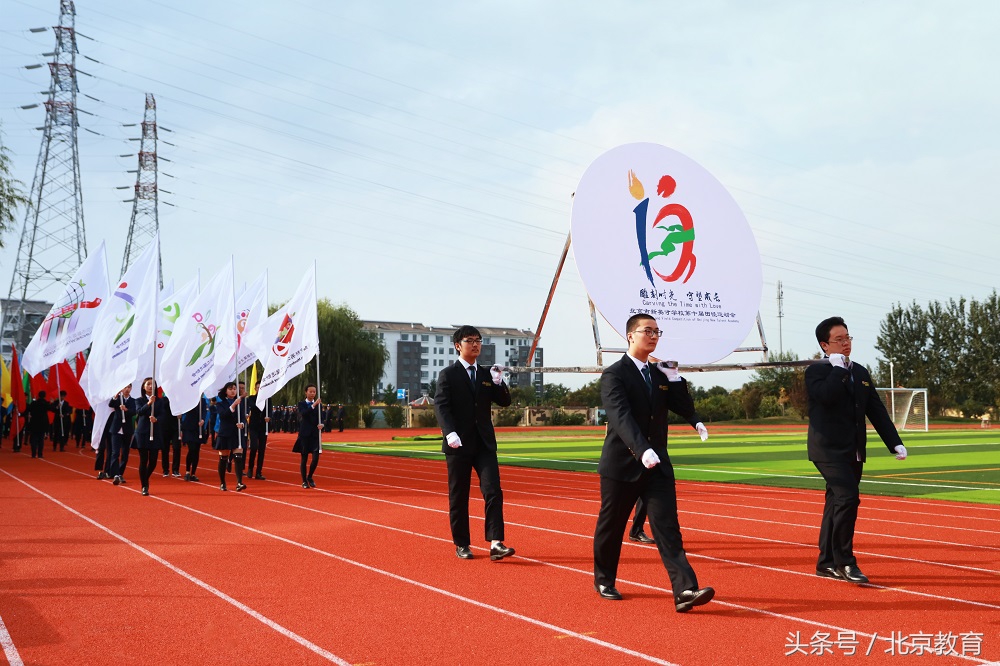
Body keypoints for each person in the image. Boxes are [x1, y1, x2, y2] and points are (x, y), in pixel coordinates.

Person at [593, 313, 714, 612]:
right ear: (630, 336)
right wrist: (641, 448)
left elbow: (682, 405)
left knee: (667, 527)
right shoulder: (614, 375)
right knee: (612, 525)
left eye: (657, 331)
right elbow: (620, 417)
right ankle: (604, 578)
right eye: (647, 330)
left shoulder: (659, 374)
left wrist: (677, 381)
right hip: (622, 465)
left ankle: (685, 590)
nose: (654, 335)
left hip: (657, 464)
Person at [806, 316, 907, 585]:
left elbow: (875, 409)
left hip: (854, 450)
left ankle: (825, 562)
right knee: (848, 498)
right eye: (839, 340)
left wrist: (894, 441)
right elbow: (826, 397)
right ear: (824, 345)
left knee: (835, 503)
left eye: (848, 338)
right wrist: (837, 370)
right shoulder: (816, 371)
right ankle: (845, 562)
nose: (846, 343)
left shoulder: (860, 372)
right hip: (827, 449)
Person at [433, 325, 514, 562]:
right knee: (459, 495)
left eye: (479, 340)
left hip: (484, 443)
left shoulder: (487, 373)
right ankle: (462, 543)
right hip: (458, 444)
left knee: (493, 491)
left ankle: (496, 542)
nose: (476, 344)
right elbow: (441, 406)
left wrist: (499, 382)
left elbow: (505, 402)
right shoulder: (448, 374)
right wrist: (449, 433)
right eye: (471, 340)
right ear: (458, 345)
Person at [133, 377, 167, 496]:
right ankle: (144, 486)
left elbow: (163, 415)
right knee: (143, 460)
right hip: (142, 432)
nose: (150, 386)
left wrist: (156, 419)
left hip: (155, 432)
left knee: (153, 461)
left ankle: (145, 478)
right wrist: (149, 403)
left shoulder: (160, 401)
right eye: (148, 384)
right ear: (143, 386)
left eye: (153, 384)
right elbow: (139, 412)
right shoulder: (139, 400)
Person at [214, 382, 246, 492]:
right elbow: (223, 415)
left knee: (238, 457)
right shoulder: (221, 403)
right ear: (225, 391)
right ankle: (222, 482)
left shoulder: (240, 403)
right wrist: (233, 405)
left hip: (237, 433)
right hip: (225, 433)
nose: (233, 391)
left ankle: (239, 482)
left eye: (234, 389)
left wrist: (242, 424)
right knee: (223, 458)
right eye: (230, 389)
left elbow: (243, 417)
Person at [294, 384, 323, 488]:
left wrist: (322, 424)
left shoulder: (319, 405)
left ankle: (310, 476)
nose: (312, 393)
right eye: (310, 391)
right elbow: (303, 414)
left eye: (314, 392)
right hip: (304, 434)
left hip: (315, 434)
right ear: (306, 392)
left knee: (315, 458)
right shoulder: (301, 404)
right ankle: (304, 481)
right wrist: (313, 405)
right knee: (304, 458)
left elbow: (321, 418)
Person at [108, 385, 136, 485]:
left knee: (125, 453)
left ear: (131, 388)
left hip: (127, 430)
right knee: (115, 452)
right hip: (116, 429)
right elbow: (111, 404)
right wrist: (116, 395)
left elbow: (134, 411)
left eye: (129, 387)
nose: (127, 389)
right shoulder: (118, 399)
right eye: (125, 387)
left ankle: (120, 473)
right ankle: (115, 474)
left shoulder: (133, 401)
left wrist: (126, 410)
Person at [246, 381, 271, 480]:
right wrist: (261, 401)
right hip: (253, 426)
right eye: (258, 387)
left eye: (262, 387)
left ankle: (258, 472)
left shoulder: (268, 399)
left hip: (263, 427)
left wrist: (269, 417)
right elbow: (253, 407)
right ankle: (250, 468)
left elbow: (269, 411)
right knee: (254, 447)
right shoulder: (251, 398)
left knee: (262, 450)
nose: (260, 389)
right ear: (255, 389)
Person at [23, 390, 54, 459]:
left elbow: (28, 409)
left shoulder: (34, 403)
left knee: (34, 439)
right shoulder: (45, 403)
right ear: (44, 396)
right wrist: (51, 403)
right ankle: (40, 454)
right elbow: (51, 409)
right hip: (42, 423)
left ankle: (33, 454)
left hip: (34, 422)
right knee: (41, 439)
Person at [181, 399, 206, 482]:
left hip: (198, 428)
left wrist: (203, 419)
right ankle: (187, 471)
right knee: (191, 449)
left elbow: (204, 412)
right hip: (188, 427)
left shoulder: (202, 401)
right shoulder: (189, 399)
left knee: (196, 450)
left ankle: (193, 473)